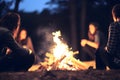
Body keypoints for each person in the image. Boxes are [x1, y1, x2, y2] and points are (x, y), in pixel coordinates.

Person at [96, 4, 120, 69]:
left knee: (99, 51)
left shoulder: (115, 25)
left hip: (117, 62)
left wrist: (106, 48)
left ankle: (100, 74)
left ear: (114, 15)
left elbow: (110, 50)